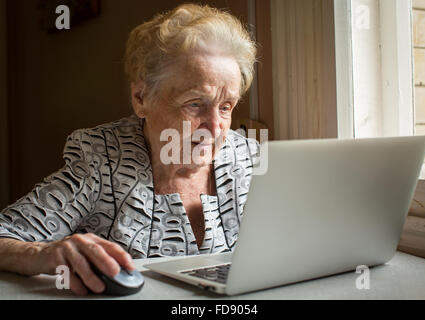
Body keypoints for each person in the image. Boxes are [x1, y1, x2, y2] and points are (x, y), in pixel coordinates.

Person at [0, 3, 258, 296]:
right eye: (195, 104)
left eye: (226, 107)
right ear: (141, 97)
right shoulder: (103, 159)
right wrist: (40, 253)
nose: (215, 128)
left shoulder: (249, 159)